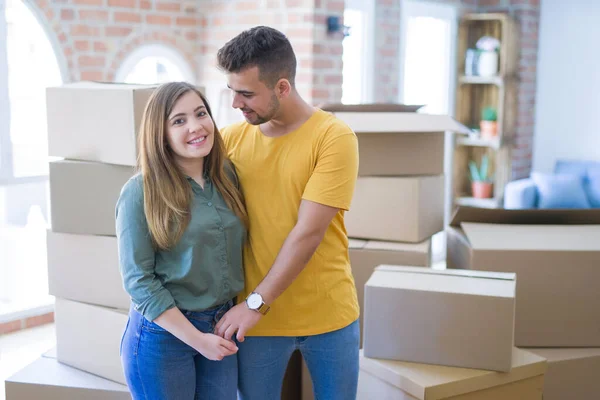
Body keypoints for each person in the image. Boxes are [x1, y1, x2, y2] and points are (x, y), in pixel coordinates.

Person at [214, 26, 361, 400]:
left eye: (246, 94)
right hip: (257, 322)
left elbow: (308, 233)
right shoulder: (231, 141)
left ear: (282, 87)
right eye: (233, 92)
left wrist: (255, 303)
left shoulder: (333, 137)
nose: (236, 104)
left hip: (327, 314)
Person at [116, 81, 248, 400]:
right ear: (160, 134)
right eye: (179, 120)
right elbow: (139, 281)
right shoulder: (139, 192)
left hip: (219, 325)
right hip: (164, 334)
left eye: (201, 114)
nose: (196, 126)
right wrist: (196, 339)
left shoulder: (226, 177)